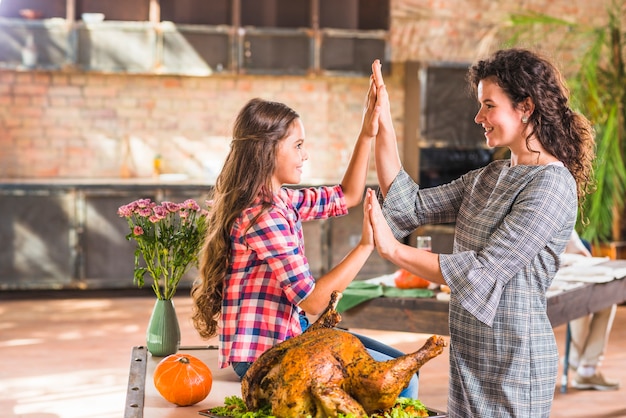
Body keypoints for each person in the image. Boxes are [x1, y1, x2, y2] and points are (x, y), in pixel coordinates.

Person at [366, 48, 595, 417]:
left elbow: (482, 272)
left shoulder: (552, 185)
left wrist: (394, 251)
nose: (478, 117)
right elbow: (410, 206)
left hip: (515, 364)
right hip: (470, 352)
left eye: (489, 105)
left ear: (526, 107)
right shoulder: (489, 176)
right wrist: (383, 123)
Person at [190, 60, 419, 398]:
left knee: (402, 366)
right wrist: (365, 246)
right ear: (268, 150)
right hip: (264, 354)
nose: (305, 154)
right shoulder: (262, 216)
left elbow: (347, 195)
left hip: (291, 334)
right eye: (297, 145)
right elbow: (313, 302)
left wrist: (368, 131)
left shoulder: (281, 200)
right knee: (403, 385)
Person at [564, 230, 620, 391]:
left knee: (605, 301)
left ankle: (583, 363)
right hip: (548, 280)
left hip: (571, 272)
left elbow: (580, 250)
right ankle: (582, 365)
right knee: (580, 300)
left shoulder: (562, 210)